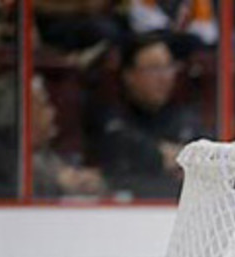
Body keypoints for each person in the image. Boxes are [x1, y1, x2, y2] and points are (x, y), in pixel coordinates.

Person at [86, 32, 206, 199]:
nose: (164, 77)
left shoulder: (186, 119)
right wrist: (160, 156)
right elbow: (117, 159)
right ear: (129, 75)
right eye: (154, 69)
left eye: (168, 67)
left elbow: (205, 163)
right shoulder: (108, 118)